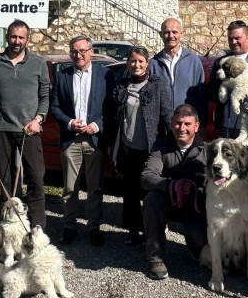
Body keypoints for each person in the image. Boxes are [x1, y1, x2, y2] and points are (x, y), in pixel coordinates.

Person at [0, 20, 51, 229]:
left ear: (27, 39)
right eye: (13, 36)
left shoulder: (38, 63)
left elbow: (45, 96)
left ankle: (37, 228)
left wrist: (39, 119)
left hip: (28, 131)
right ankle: (10, 227)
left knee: (36, 178)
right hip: (1, 128)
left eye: (21, 37)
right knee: (6, 182)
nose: (16, 41)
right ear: (7, 37)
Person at [104, 45, 173, 246]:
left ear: (147, 63)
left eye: (140, 61)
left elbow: (167, 115)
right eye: (133, 61)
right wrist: (111, 142)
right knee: (130, 191)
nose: (136, 65)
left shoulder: (157, 85)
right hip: (128, 145)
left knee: (149, 191)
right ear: (128, 63)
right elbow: (113, 116)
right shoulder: (122, 85)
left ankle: (151, 232)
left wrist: (171, 141)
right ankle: (133, 231)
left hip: (150, 148)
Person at [49, 35, 108, 246]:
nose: (78, 55)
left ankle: (93, 226)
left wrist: (98, 124)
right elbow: (54, 107)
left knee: (95, 187)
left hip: (94, 138)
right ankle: (69, 225)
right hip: (71, 138)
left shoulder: (104, 76)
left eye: (83, 50)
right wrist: (69, 122)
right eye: (74, 51)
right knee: (70, 187)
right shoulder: (62, 76)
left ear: (91, 51)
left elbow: (111, 108)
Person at [140, 105, 208, 282]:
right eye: (178, 123)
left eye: (187, 123)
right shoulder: (161, 145)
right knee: (151, 199)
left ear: (196, 126)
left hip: (195, 206)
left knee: (199, 239)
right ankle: (156, 258)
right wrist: (172, 185)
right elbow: (146, 177)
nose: (182, 128)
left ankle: (198, 248)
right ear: (171, 124)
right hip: (168, 201)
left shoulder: (207, 150)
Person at [148, 17, 206, 120]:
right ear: (161, 34)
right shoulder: (154, 63)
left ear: (181, 34)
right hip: (161, 126)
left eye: (174, 32)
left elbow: (201, 96)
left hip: (187, 125)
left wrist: (202, 123)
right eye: (167, 32)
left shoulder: (194, 61)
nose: (171, 36)